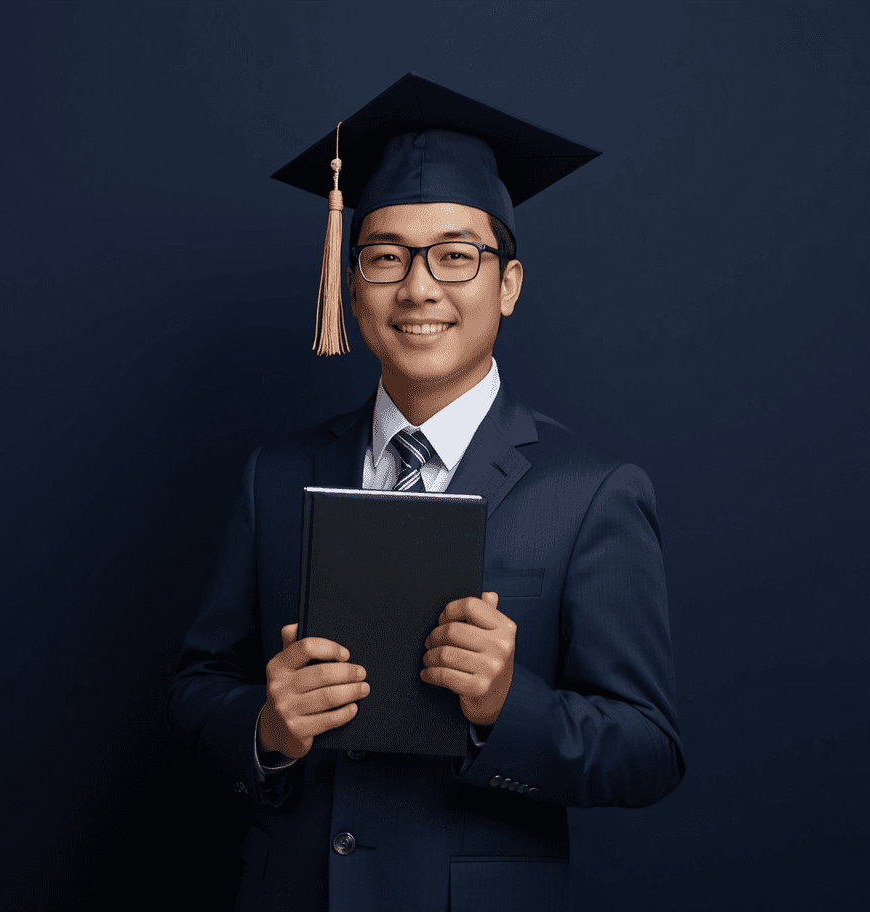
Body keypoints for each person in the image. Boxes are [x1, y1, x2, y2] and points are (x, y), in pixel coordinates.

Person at [167, 73, 684, 912]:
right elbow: (196, 688)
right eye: (385, 257)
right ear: (351, 282)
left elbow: (649, 749)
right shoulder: (277, 474)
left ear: (508, 284)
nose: (417, 288)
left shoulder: (591, 494)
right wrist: (266, 728)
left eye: (456, 254)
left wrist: (505, 708)